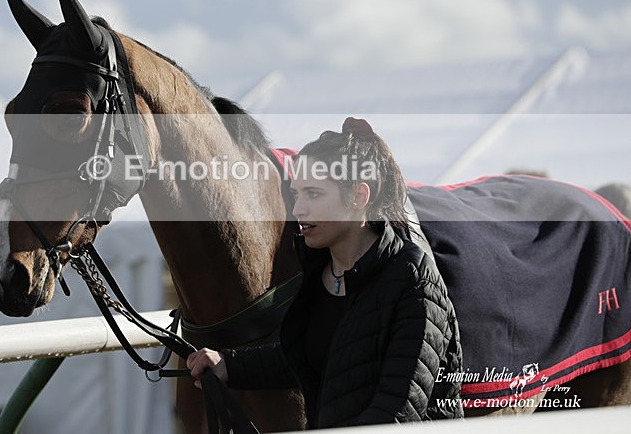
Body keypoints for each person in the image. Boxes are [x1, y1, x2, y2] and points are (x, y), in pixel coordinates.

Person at [187, 117, 463, 428]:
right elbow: (308, 357)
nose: (299, 210)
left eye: (314, 194)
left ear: (359, 196)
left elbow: (399, 411)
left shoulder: (413, 279)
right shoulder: (319, 271)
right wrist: (228, 365)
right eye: (297, 194)